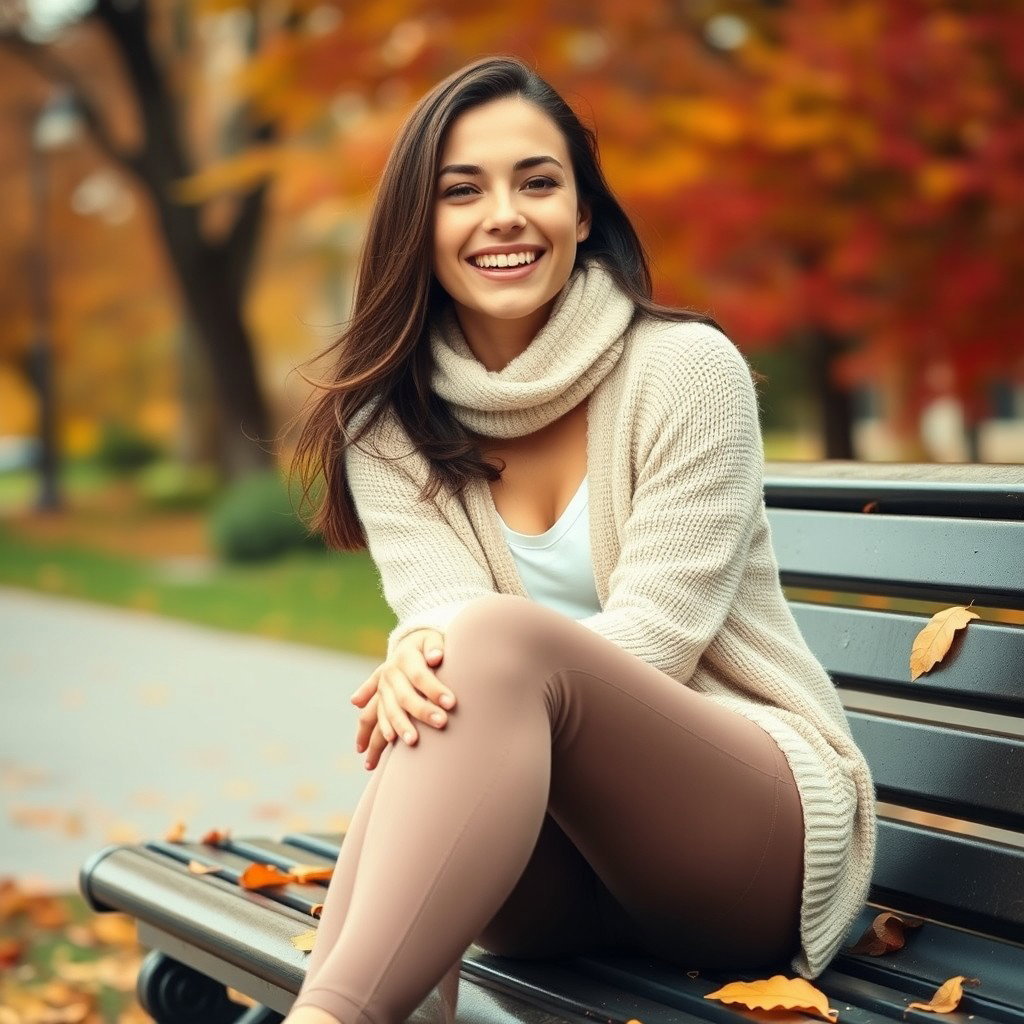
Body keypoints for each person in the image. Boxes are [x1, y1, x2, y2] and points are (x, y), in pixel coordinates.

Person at [284, 55, 877, 1024]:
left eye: (537, 182)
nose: (505, 215)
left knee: (484, 646)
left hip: (745, 846)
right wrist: (421, 656)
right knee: (444, 670)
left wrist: (456, 659)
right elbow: (440, 630)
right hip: (542, 876)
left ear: (583, 213)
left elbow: (658, 635)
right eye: (461, 191)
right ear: (416, 227)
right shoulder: (385, 423)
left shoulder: (685, 370)